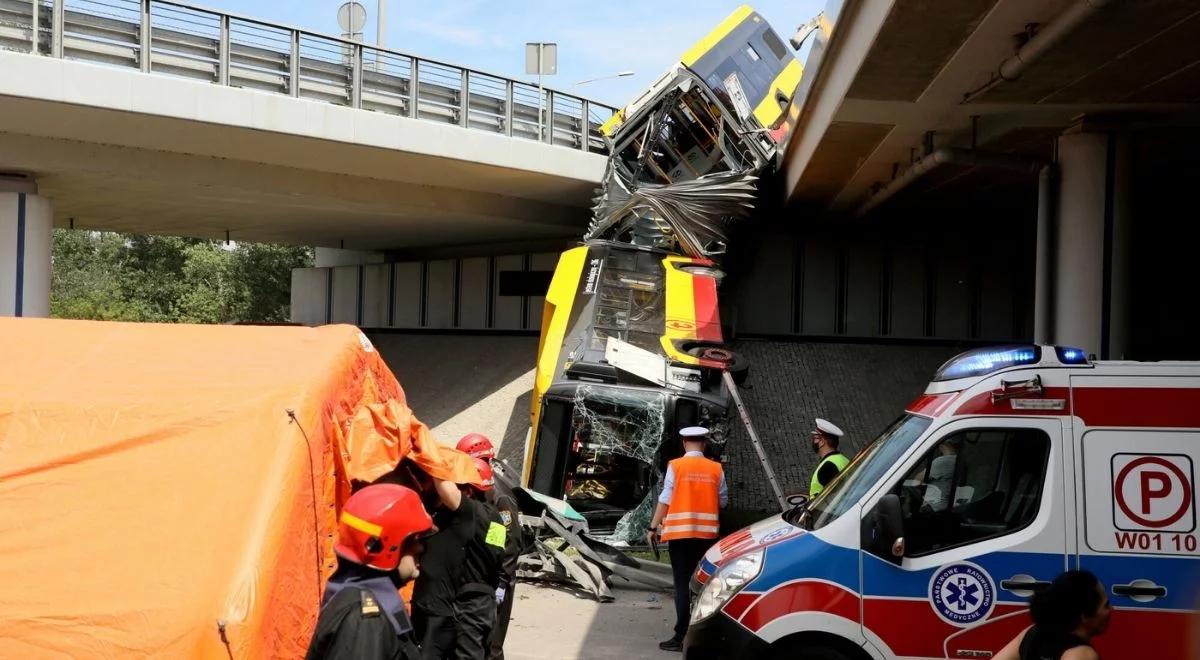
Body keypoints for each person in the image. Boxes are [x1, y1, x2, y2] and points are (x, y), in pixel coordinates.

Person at [306, 484, 435, 660]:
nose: (421, 548)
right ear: (383, 546)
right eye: (414, 539)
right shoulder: (365, 621)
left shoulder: (372, 602)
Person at [411, 457, 506, 660]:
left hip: (469, 606)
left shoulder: (473, 513)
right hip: (485, 603)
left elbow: (448, 493)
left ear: (469, 491)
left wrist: (431, 456)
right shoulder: (495, 518)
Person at [647, 426, 728, 652]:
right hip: (707, 537)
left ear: (684, 443)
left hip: (681, 537)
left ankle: (681, 635)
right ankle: (704, 635)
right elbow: (723, 502)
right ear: (703, 443)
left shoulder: (676, 466)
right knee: (704, 586)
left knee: (682, 585)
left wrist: (652, 527)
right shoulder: (716, 469)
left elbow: (665, 499)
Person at [455, 433, 523, 660]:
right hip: (483, 576)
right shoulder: (479, 489)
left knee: (492, 645)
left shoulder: (499, 497)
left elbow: (510, 543)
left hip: (498, 578)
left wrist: (502, 582)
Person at [994, 570, 1112, 660]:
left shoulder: (1032, 633)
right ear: (1084, 616)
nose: (1111, 609)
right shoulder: (1081, 654)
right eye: (1106, 605)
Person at [808, 418, 850, 497]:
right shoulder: (843, 459)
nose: (813, 441)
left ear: (822, 441)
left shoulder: (827, 468)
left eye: (815, 438)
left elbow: (832, 499)